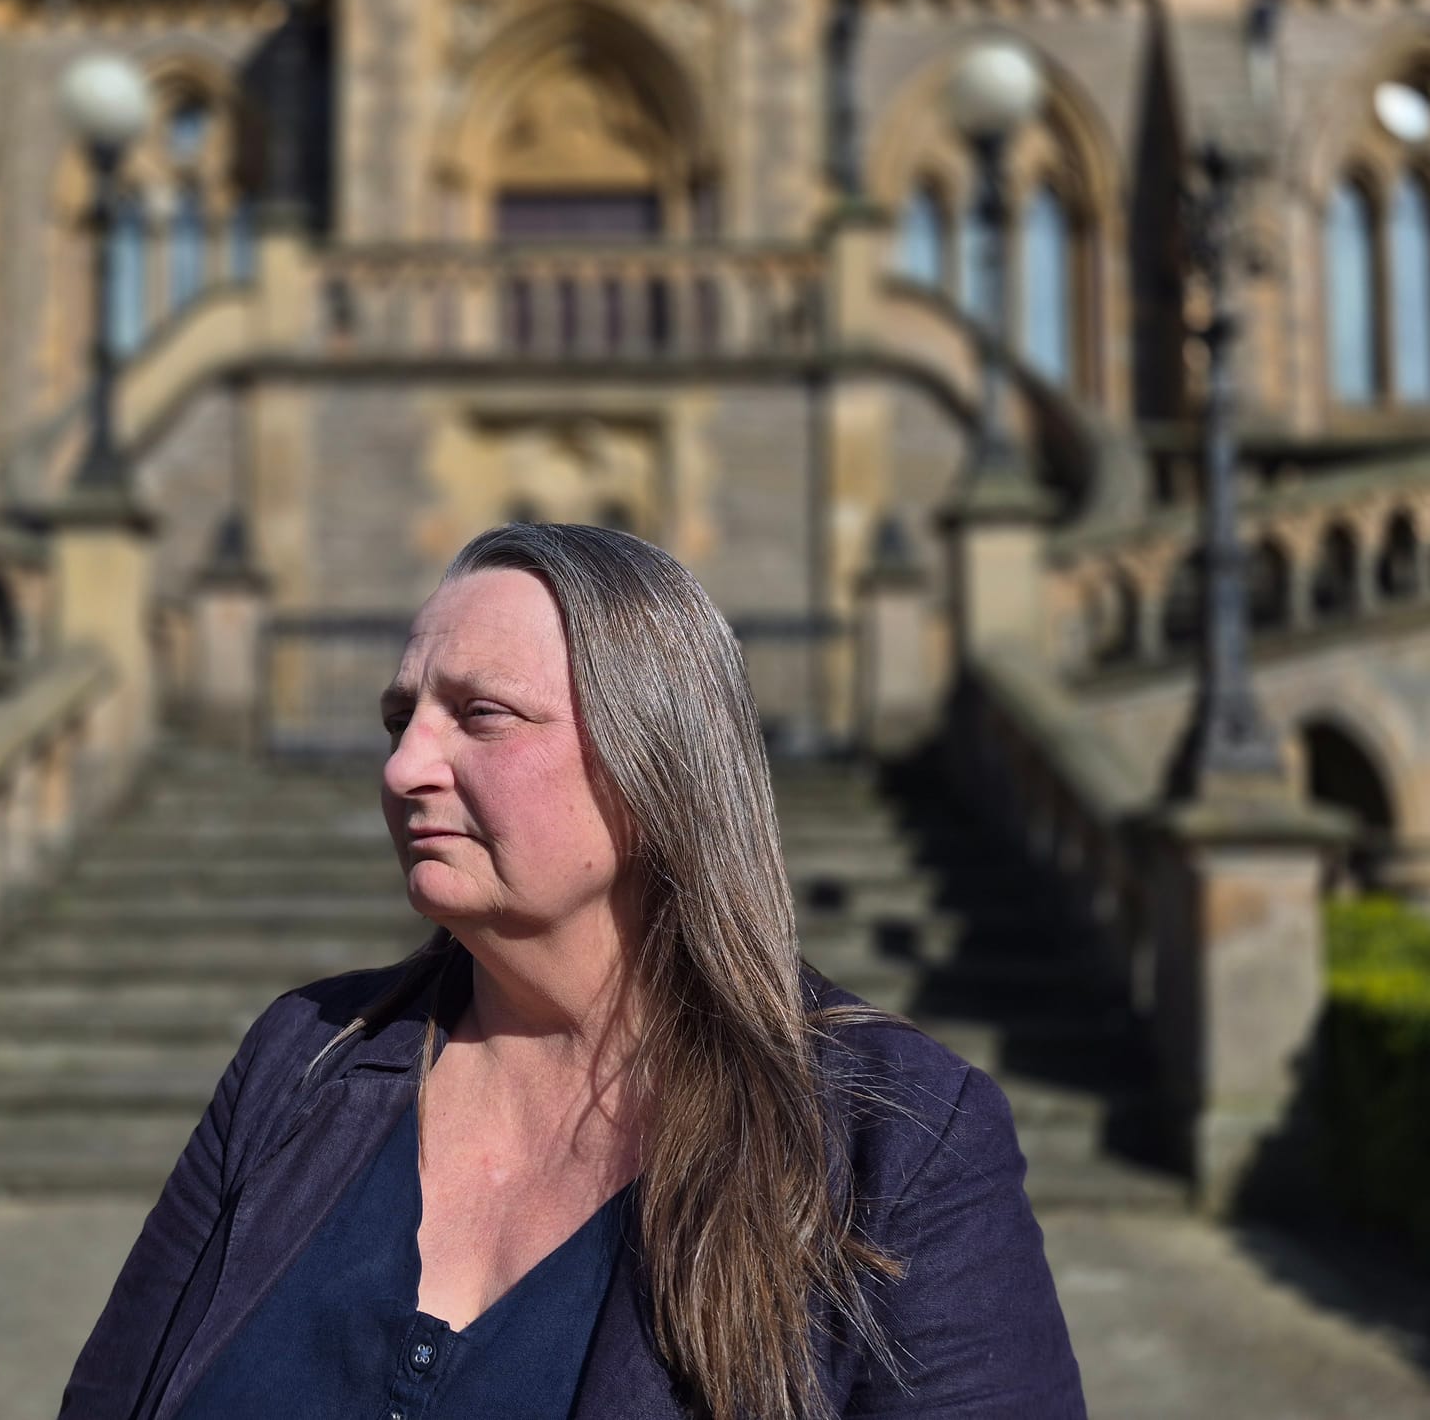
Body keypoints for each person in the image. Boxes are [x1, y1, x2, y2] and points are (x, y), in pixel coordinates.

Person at [57, 523, 1086, 1420]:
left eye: (480, 716)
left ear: (654, 766)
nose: (403, 767)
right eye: (398, 716)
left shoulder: (891, 1142)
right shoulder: (304, 1061)